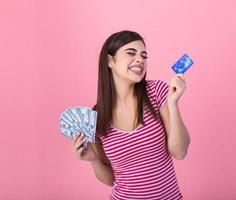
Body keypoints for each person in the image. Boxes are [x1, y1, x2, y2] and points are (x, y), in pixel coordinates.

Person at [72, 30, 190, 199]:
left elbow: (180, 152)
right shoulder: (96, 117)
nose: (140, 60)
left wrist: (173, 104)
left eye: (144, 56)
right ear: (109, 61)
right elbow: (111, 179)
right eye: (131, 53)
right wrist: (93, 159)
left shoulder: (157, 92)